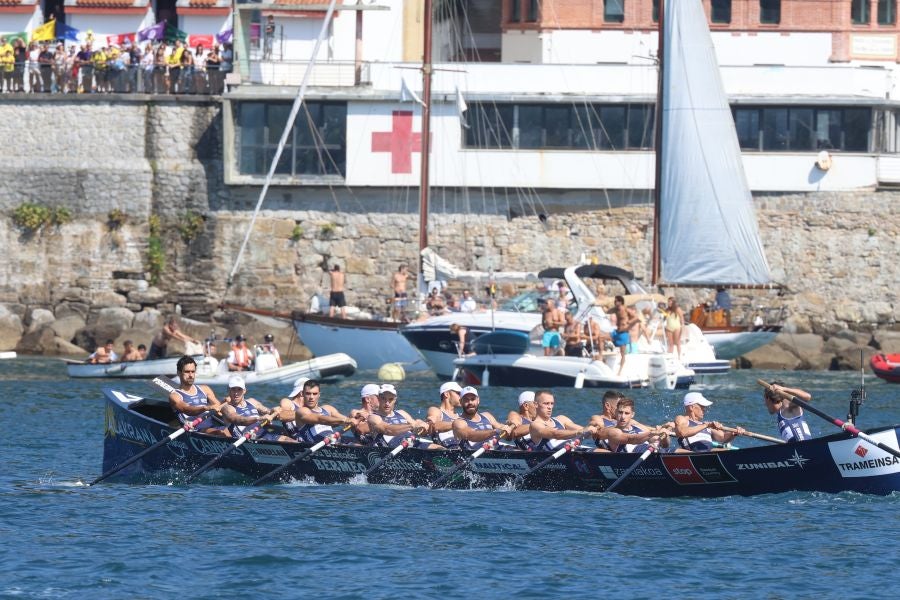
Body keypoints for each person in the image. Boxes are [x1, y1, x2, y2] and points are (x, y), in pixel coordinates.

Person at [219, 375, 292, 442]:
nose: (236, 393)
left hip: (264, 433)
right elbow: (239, 420)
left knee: (285, 434)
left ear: (244, 391)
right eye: (233, 389)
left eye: (239, 389)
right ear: (228, 391)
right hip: (249, 440)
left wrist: (273, 410)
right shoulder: (227, 408)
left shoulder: (252, 401)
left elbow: (267, 411)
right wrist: (259, 418)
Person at [168, 356, 227, 436]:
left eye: (193, 371)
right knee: (221, 433)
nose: (191, 375)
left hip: (212, 428)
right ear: (179, 373)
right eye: (187, 371)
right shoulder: (175, 396)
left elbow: (218, 408)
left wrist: (227, 402)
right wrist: (206, 407)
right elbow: (187, 410)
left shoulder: (205, 389)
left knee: (230, 431)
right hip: (194, 431)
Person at [366, 384, 435, 448]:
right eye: (384, 399)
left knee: (439, 448)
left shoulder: (402, 413)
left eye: (390, 399)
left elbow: (415, 425)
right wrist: (411, 426)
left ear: (395, 400)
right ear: (379, 399)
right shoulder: (373, 417)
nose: (387, 403)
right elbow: (388, 430)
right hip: (393, 448)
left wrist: (423, 426)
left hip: (411, 443)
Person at [291, 379, 357, 443]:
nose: (311, 397)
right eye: (308, 393)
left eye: (315, 394)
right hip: (315, 447)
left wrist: (355, 419)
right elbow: (319, 419)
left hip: (333, 443)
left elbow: (346, 420)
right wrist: (344, 420)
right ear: (302, 394)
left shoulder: (328, 409)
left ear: (319, 394)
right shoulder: (301, 411)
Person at [529, 390, 596, 452]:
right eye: (546, 403)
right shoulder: (535, 425)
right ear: (536, 404)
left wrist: (592, 429)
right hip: (557, 461)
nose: (550, 407)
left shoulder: (561, 419)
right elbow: (556, 434)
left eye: (552, 403)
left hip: (574, 451)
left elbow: (585, 432)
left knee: (602, 452)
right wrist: (580, 432)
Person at [674, 392, 744, 451]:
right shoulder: (681, 419)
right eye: (702, 406)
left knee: (724, 449)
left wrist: (734, 433)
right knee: (720, 450)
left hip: (709, 453)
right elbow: (682, 432)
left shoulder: (705, 424)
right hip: (695, 455)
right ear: (691, 407)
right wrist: (705, 425)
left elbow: (722, 438)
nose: (705, 409)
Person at [451, 387, 513, 451]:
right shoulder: (458, 423)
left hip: (497, 451)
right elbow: (470, 435)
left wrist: (509, 429)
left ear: (478, 400)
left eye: (473, 399)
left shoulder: (487, 416)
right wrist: (495, 431)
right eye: (466, 400)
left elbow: (507, 436)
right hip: (476, 456)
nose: (470, 403)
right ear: (461, 402)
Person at [604, 397, 671, 453]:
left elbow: (664, 444)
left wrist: (664, 436)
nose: (622, 417)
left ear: (632, 414)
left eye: (626, 413)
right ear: (616, 412)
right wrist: (653, 433)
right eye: (620, 412)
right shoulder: (613, 432)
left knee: (679, 451)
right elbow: (633, 439)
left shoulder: (638, 427)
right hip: (635, 457)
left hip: (654, 453)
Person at [425, 381, 462, 448]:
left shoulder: (461, 416)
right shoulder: (436, 411)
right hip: (445, 452)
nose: (462, 396)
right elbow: (434, 425)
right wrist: (457, 425)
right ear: (447, 394)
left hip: (464, 449)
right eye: (458, 393)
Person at [612, 295, 638, 374]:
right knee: (602, 337)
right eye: (614, 301)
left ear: (620, 302)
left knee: (622, 353)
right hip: (617, 331)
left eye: (616, 301)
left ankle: (620, 370)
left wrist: (629, 322)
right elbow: (607, 310)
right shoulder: (616, 310)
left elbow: (636, 317)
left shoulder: (626, 309)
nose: (615, 302)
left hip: (623, 333)